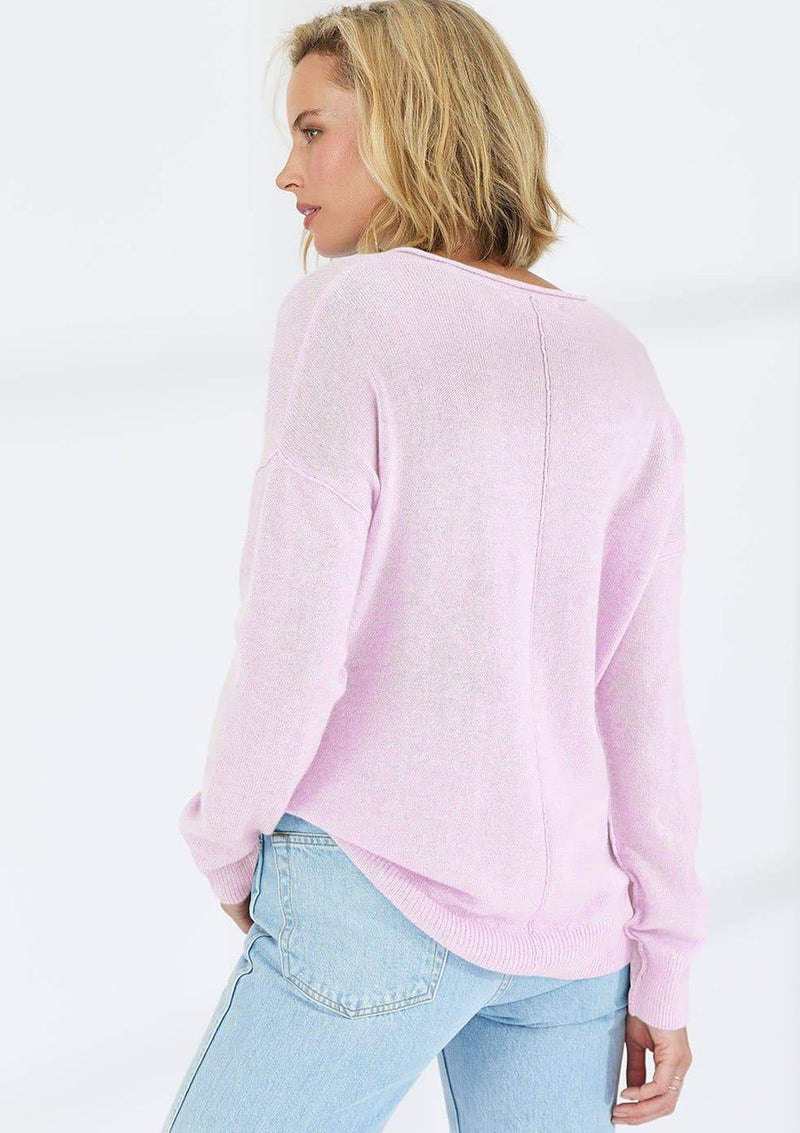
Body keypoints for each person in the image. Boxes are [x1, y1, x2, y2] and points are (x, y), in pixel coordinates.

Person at [161, 2, 709, 1130]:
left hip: (373, 889)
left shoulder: (352, 310)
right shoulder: (619, 360)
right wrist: (663, 959)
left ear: (409, 123)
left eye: (313, 130)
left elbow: (291, 634)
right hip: (575, 946)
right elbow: (640, 696)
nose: (286, 172)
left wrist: (228, 841)